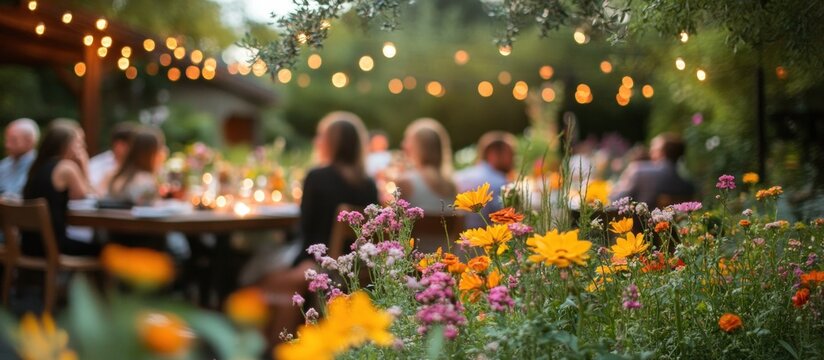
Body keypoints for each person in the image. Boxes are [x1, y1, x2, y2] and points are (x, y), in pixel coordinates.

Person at [262, 111, 378, 341]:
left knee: (262, 283)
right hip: (358, 272)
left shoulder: (317, 176)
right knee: (287, 290)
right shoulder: (369, 184)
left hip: (320, 265)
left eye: (321, 136)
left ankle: (271, 349)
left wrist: (301, 266)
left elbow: (306, 231)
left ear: (331, 142)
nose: (317, 141)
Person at [21, 119, 99, 257]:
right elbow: (86, 197)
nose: (83, 147)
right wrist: (85, 167)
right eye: (79, 143)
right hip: (53, 247)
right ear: (67, 145)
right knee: (104, 249)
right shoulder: (66, 168)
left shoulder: (37, 167)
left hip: (28, 246)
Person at [610, 132, 695, 207]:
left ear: (661, 152)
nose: (650, 151)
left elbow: (616, 201)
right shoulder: (688, 185)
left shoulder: (638, 170)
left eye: (653, 148)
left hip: (642, 220)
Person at [454, 131, 517, 229]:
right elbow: (507, 221)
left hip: (459, 235)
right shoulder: (500, 182)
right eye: (510, 154)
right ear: (493, 154)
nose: (514, 159)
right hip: (487, 235)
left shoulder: (458, 176)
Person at [397, 118, 456, 214]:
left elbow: (397, 219)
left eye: (407, 141)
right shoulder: (452, 185)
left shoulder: (406, 182)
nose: (403, 145)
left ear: (414, 147)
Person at [105, 127, 165, 205]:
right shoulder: (144, 180)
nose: (164, 152)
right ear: (150, 154)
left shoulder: (118, 175)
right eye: (161, 148)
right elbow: (149, 207)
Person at [89, 122, 136, 189]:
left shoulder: (139, 165)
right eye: (117, 144)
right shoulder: (98, 163)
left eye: (123, 145)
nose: (119, 148)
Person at [0, 118, 40, 197]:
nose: (7, 145)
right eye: (7, 140)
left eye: (13, 140)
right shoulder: (3, 165)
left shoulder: (40, 166)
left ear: (29, 141)